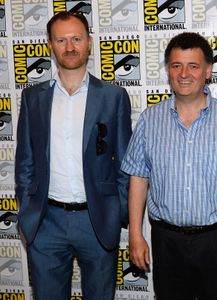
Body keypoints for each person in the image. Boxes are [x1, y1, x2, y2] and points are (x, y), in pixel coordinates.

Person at [121, 32, 217, 300]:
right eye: (176, 65)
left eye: (193, 65)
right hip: (167, 243)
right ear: (168, 71)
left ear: (208, 71)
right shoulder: (150, 120)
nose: (184, 73)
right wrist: (135, 233)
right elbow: (138, 178)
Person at [15, 12, 132, 300]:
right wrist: (29, 211)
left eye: (76, 39)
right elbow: (25, 161)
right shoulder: (33, 98)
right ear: (50, 45)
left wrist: (116, 211)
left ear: (89, 43)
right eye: (61, 40)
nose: (70, 47)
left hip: (97, 221)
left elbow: (126, 164)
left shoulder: (114, 97)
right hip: (46, 222)